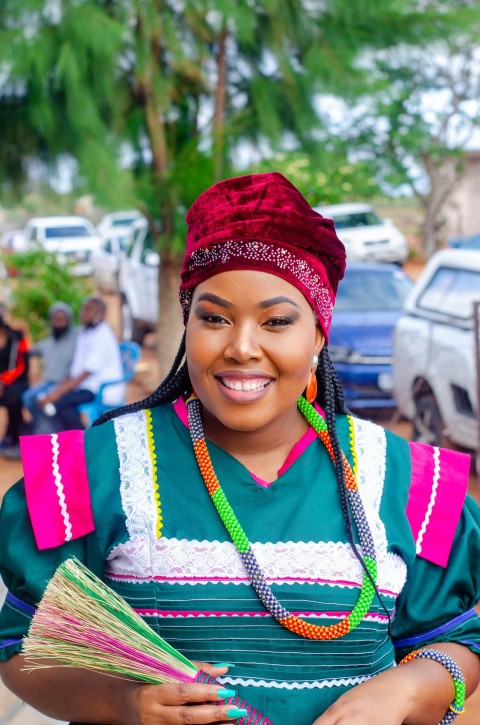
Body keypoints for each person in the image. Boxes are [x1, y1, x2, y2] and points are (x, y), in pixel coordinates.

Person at [0, 173, 479, 725]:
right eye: (214, 317)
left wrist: (405, 691)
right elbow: (23, 646)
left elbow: (459, 641)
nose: (242, 346)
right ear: (188, 324)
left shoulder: (408, 482)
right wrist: (125, 704)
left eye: (277, 321)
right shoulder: (94, 470)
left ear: (319, 334)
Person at [29, 295, 125, 433]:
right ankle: (65, 441)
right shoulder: (85, 333)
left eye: (89, 309)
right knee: (43, 399)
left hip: (98, 389)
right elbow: (75, 372)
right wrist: (54, 391)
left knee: (58, 404)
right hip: (83, 386)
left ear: (100, 313)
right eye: (83, 309)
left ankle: (83, 441)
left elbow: (84, 374)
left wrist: (56, 394)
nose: (83, 313)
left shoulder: (102, 335)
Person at [22, 301, 78, 417]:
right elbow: (28, 351)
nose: (57, 323)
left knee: (42, 399)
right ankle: (40, 426)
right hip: (48, 382)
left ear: (68, 320)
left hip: (66, 383)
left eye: (61, 319)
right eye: (54, 319)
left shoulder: (77, 338)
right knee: (27, 397)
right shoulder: (48, 342)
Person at [0, 303, 29, 460]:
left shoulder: (17, 336)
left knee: (13, 397)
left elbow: (23, 366)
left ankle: (12, 437)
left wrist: (3, 381)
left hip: (15, 381)